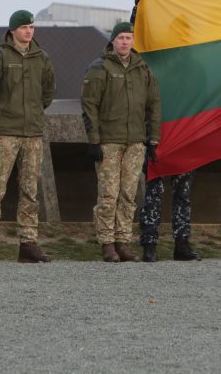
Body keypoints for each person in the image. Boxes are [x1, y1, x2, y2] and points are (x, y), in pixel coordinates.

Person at [0, 10, 55, 263]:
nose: (28, 31)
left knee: (30, 190)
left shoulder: (42, 58)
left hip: (32, 132)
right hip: (5, 133)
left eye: (31, 26)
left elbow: (48, 93)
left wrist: (31, 114)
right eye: (23, 27)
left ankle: (28, 244)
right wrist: (1, 115)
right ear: (12, 31)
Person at [82, 21, 161, 262]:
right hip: (109, 141)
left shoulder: (143, 69)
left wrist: (153, 139)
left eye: (128, 38)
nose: (125, 42)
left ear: (132, 41)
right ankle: (107, 243)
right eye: (120, 38)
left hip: (136, 142)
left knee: (128, 194)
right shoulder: (100, 67)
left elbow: (154, 104)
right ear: (113, 41)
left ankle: (123, 241)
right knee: (108, 194)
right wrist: (94, 140)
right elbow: (89, 105)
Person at [139, 170, 201, 262]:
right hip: (157, 157)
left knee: (183, 194)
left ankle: (182, 244)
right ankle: (149, 245)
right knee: (153, 193)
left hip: (181, 157)